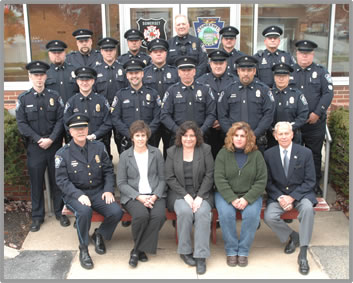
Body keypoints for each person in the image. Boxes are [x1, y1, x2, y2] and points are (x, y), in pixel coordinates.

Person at [55, 113, 123, 269]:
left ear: (88, 129)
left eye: (83, 128)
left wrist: (108, 190)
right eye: (76, 129)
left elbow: (107, 170)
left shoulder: (98, 147)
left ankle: (99, 234)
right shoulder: (62, 154)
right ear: (70, 132)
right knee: (84, 212)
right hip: (74, 194)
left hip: (98, 191)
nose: (81, 131)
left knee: (116, 212)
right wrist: (79, 195)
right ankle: (83, 249)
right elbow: (62, 181)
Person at [16, 60, 69, 232]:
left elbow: (61, 120)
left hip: (54, 146)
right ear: (30, 77)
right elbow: (22, 124)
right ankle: (37, 217)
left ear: (46, 76)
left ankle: (60, 212)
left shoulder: (55, 97)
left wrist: (52, 139)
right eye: (35, 75)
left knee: (57, 180)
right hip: (35, 148)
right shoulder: (24, 99)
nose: (39, 78)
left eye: (41, 75)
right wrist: (39, 139)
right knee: (36, 183)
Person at [263, 121, 317, 275]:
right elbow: (268, 182)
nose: (284, 136)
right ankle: (293, 236)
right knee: (269, 216)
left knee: (307, 209)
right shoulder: (268, 154)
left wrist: (292, 197)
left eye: (287, 133)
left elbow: (310, 181)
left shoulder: (305, 153)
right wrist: (280, 197)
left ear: (292, 134)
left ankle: (303, 254)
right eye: (280, 134)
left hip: (301, 194)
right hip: (279, 195)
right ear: (275, 136)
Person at [214, 122, 267, 267]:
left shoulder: (256, 155)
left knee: (251, 216)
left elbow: (261, 180)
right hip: (225, 194)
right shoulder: (223, 153)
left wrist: (246, 199)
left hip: (250, 194)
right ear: (231, 137)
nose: (238, 138)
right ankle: (231, 250)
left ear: (248, 138)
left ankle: (243, 251)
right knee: (226, 214)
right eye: (235, 135)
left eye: (242, 136)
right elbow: (219, 178)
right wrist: (231, 198)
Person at [165, 121, 214, 275]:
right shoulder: (172, 151)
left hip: (202, 193)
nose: (188, 139)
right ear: (180, 137)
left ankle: (201, 256)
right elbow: (170, 177)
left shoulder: (205, 149)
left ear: (197, 137)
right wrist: (186, 196)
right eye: (185, 135)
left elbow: (209, 174)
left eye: (192, 135)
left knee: (203, 213)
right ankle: (184, 251)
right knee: (185, 212)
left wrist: (199, 197)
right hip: (179, 193)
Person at [116, 120, 166, 268]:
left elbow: (163, 179)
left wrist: (155, 196)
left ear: (147, 137)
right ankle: (142, 249)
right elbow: (121, 183)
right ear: (132, 137)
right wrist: (139, 197)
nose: (140, 139)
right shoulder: (125, 156)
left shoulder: (156, 152)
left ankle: (137, 249)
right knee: (141, 216)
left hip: (154, 194)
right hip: (134, 196)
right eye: (137, 135)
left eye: (143, 135)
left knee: (159, 216)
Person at [290, 40, 333, 197]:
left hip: (314, 123)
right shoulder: (289, 72)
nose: (304, 56)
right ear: (297, 54)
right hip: (295, 124)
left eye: (307, 54)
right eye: (302, 53)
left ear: (312, 55)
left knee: (314, 154)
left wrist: (317, 113)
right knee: (294, 154)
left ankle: (314, 185)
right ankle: (295, 184)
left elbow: (327, 94)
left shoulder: (321, 72)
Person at [218, 55, 275, 153]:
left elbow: (268, 115)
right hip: (234, 142)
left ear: (254, 71)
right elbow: (222, 116)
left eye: (249, 70)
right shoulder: (228, 90)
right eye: (243, 70)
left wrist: (253, 135)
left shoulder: (264, 90)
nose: (246, 73)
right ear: (238, 71)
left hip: (257, 140)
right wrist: (233, 135)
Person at [161, 56, 216, 146]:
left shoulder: (205, 89)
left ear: (194, 71)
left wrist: (201, 131)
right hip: (178, 138)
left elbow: (211, 113)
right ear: (178, 72)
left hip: (200, 137)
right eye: (183, 70)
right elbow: (164, 115)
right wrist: (178, 131)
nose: (186, 73)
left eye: (189, 70)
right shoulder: (171, 91)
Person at [111, 59, 161, 153]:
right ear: (127, 75)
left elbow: (158, 117)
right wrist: (130, 134)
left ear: (142, 74)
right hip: (128, 140)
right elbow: (115, 118)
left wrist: (147, 133)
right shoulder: (120, 95)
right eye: (131, 73)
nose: (134, 76)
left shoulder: (153, 94)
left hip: (149, 140)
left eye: (137, 73)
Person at [197, 49, 238, 158]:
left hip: (228, 129)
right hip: (207, 130)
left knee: (228, 159)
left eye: (221, 63)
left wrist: (222, 121)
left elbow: (236, 106)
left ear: (226, 64)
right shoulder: (201, 81)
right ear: (210, 64)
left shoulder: (235, 81)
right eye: (215, 63)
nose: (218, 66)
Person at [63, 66, 112, 154]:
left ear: (93, 81)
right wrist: (79, 137)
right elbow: (66, 123)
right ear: (77, 81)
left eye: (88, 80)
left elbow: (108, 122)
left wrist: (94, 135)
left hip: (99, 144)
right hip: (77, 146)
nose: (84, 83)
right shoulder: (71, 102)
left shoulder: (102, 101)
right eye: (82, 80)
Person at [143, 38, 179, 157]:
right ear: (150, 54)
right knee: (151, 152)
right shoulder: (144, 73)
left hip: (170, 117)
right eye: (155, 51)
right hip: (152, 118)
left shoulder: (175, 72)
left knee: (171, 152)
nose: (158, 54)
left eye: (161, 51)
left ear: (166, 53)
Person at [94, 37, 128, 157]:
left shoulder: (123, 69)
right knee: (103, 145)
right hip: (102, 115)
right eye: (106, 50)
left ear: (115, 51)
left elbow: (127, 90)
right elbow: (93, 93)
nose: (109, 52)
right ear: (101, 51)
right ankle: (107, 173)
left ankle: (125, 171)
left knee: (123, 145)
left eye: (111, 50)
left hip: (120, 113)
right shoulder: (95, 70)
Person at [267, 63, 309, 147]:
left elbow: (303, 115)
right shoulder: (267, 95)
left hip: (292, 136)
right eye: (278, 76)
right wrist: (272, 129)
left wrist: (289, 128)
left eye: (284, 76)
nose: (281, 79)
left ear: (289, 77)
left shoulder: (297, 95)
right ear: (274, 77)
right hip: (271, 137)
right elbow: (262, 114)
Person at [45, 40, 78, 104]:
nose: (57, 55)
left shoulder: (75, 70)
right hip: (53, 111)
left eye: (60, 52)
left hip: (72, 110)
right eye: (54, 53)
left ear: (64, 53)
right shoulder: (45, 73)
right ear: (49, 54)